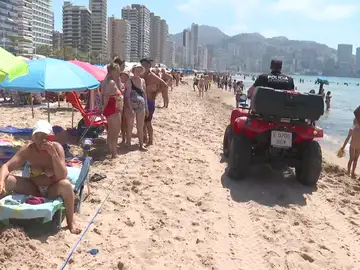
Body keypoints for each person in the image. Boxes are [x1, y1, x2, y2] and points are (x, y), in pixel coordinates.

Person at [0, 120, 81, 234]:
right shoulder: (29, 149)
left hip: (52, 188)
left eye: (45, 136)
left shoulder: (57, 148)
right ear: (33, 137)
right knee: (7, 180)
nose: (41, 140)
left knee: (66, 185)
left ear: (51, 137)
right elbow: (6, 166)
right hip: (33, 187)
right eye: (38, 136)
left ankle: (71, 221)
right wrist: (1, 181)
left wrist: (53, 155)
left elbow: (63, 175)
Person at [140, 58, 168, 145]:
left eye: (145, 65)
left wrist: (156, 92)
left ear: (149, 66)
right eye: (142, 65)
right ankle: (144, 137)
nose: (143, 67)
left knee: (148, 122)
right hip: (141, 101)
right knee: (142, 122)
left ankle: (150, 139)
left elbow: (164, 85)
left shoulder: (151, 76)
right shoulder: (140, 76)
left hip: (149, 101)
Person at [101, 62, 123, 158]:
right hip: (113, 109)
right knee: (115, 132)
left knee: (110, 132)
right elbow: (106, 98)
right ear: (112, 71)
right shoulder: (111, 82)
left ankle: (110, 151)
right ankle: (114, 153)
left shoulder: (106, 81)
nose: (119, 73)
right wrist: (103, 109)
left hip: (111, 109)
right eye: (117, 71)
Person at [124, 64, 148, 150]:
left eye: (139, 70)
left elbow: (144, 94)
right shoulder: (129, 81)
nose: (138, 72)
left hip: (142, 106)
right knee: (130, 126)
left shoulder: (142, 81)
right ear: (133, 71)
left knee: (140, 126)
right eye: (136, 70)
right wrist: (130, 108)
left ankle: (141, 144)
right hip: (131, 106)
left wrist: (147, 107)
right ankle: (128, 143)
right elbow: (127, 96)